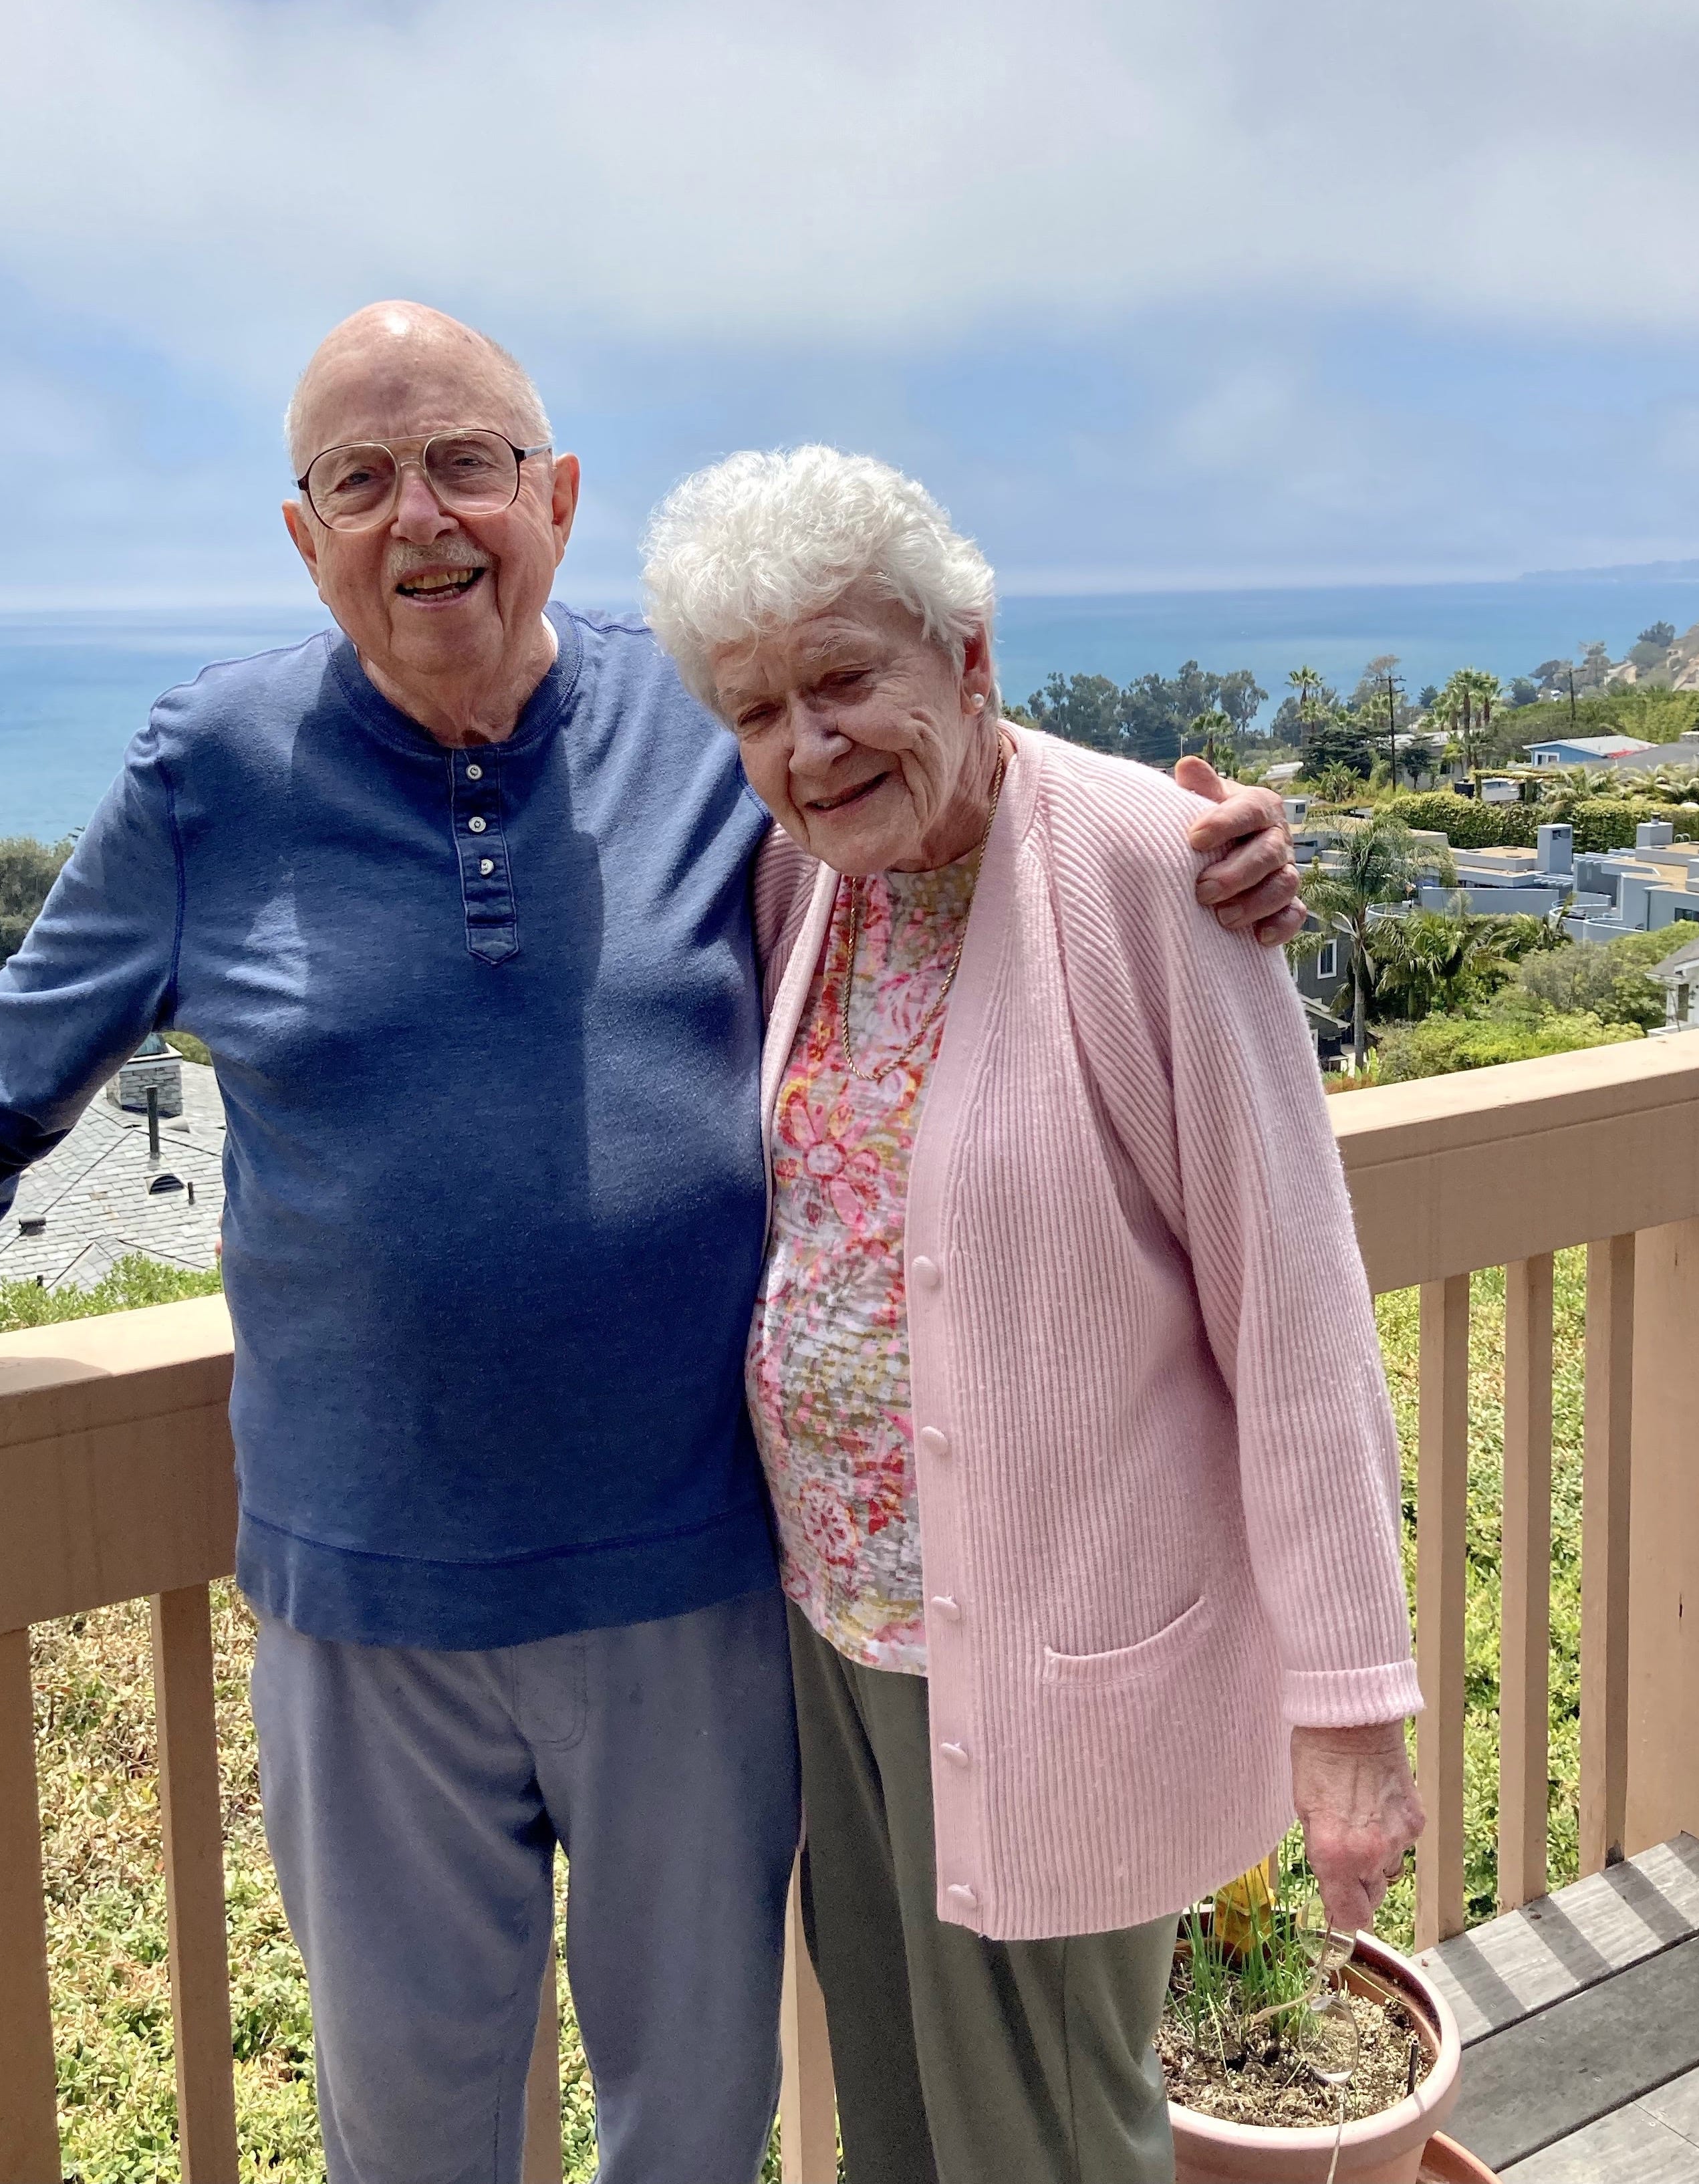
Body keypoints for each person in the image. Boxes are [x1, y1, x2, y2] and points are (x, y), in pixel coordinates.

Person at [0, 308, 1307, 2184]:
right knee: (411, 2139)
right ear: (305, 539)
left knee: (695, 2127)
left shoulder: (699, 717)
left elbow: (929, 771)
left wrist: (1189, 841)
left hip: (693, 1587)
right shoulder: (210, 771)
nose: (421, 517)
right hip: (370, 1608)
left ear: (558, 498)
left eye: (467, 463)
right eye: (361, 480)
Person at [642, 445, 1424, 2184]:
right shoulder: (800, 880)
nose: (808, 744)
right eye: (757, 710)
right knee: (899, 2121)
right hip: (833, 1631)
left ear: (970, 654)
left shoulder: (1154, 871)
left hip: (1049, 1662)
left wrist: (1348, 1708)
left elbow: (1295, 1316)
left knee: (1045, 2142)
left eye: (847, 679)